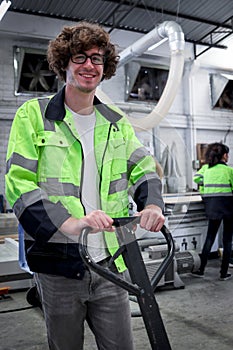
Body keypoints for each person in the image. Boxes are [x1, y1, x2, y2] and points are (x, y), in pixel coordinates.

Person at [5, 21, 165, 350]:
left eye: (97, 58)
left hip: (111, 263)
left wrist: (151, 205)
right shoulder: (34, 116)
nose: (89, 65)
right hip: (59, 265)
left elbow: (144, 167)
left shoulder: (116, 123)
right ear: (63, 62)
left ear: (105, 68)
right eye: (79, 57)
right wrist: (71, 223)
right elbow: (19, 184)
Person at [192, 142, 233, 281]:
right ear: (224, 156)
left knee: (210, 237)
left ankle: (201, 270)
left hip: (212, 206)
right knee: (227, 240)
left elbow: (196, 178)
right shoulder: (229, 171)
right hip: (228, 207)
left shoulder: (205, 169)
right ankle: (223, 273)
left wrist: (204, 191)